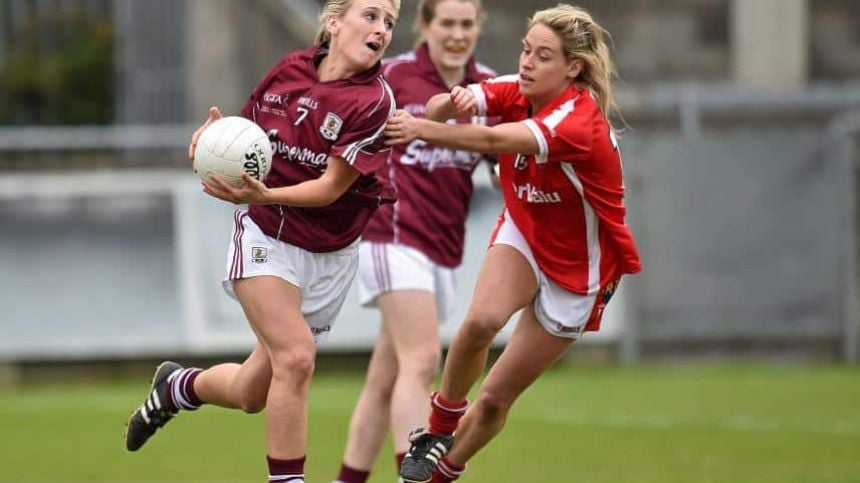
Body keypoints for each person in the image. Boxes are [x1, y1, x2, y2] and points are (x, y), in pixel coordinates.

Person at [123, 1, 400, 482]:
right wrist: (211, 139)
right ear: (333, 22)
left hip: (331, 255)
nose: (381, 29)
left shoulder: (374, 102)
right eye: (371, 15)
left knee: (254, 392)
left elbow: (331, 188)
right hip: (266, 234)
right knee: (296, 358)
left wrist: (265, 188)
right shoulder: (289, 69)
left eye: (389, 23)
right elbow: (243, 136)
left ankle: (179, 386)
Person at [384, 4, 642, 482]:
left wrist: (422, 126)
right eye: (526, 50)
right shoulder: (518, 88)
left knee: (492, 404)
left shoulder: (576, 121)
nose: (526, 63)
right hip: (525, 230)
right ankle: (437, 432)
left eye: (542, 56)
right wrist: (444, 104)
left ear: (573, 68)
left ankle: (444, 474)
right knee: (481, 320)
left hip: (578, 270)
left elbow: (489, 140)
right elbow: (461, 103)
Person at [333, 1, 496, 482]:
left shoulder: (488, 86)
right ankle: (415, 476)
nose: (457, 34)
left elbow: (503, 158)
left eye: (467, 24)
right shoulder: (392, 76)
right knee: (424, 360)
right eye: (446, 23)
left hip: (442, 250)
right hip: (391, 236)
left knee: (386, 381)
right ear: (424, 26)